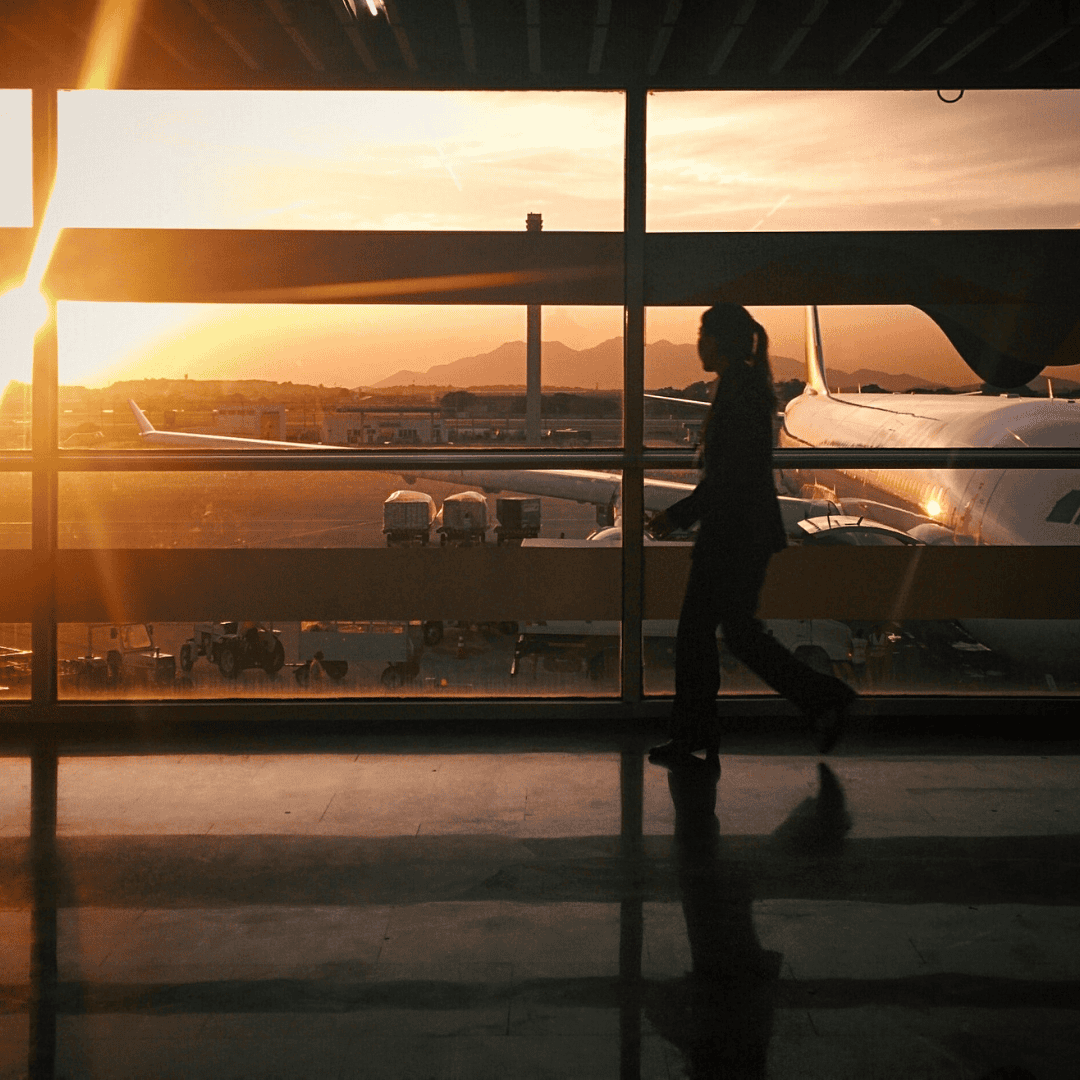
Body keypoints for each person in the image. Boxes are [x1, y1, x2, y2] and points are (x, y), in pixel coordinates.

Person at [647, 303, 856, 765]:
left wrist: (678, 514)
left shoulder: (738, 393)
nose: (697, 344)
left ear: (721, 340)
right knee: (736, 634)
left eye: (703, 334)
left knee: (698, 636)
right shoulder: (743, 388)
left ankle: (698, 732)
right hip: (742, 532)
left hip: (732, 535)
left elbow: (729, 477)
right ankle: (821, 700)